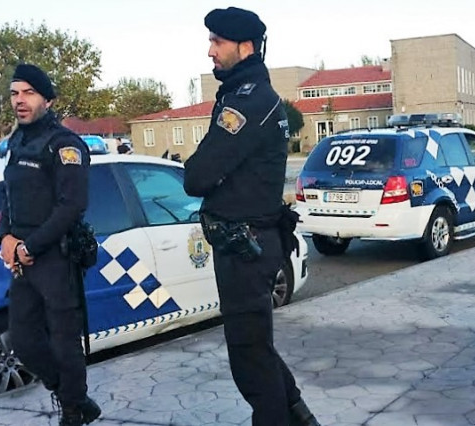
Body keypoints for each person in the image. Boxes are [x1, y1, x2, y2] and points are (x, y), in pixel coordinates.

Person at [183, 7, 319, 426]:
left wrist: (202, 168)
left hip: (247, 247)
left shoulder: (248, 102)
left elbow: (197, 176)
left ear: (245, 47)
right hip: (246, 243)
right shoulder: (246, 95)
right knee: (256, 349)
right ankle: (300, 416)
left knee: (250, 362)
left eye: (217, 42)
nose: (210, 51)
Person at [0, 63, 101, 426]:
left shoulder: (65, 144)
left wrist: (30, 246)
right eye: (14, 93)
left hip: (54, 257)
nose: (19, 101)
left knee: (63, 341)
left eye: (28, 93)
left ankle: (73, 411)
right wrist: (6, 237)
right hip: (23, 258)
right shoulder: (18, 141)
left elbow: (71, 206)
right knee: (23, 341)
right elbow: (8, 195)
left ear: (47, 98)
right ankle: (73, 395)